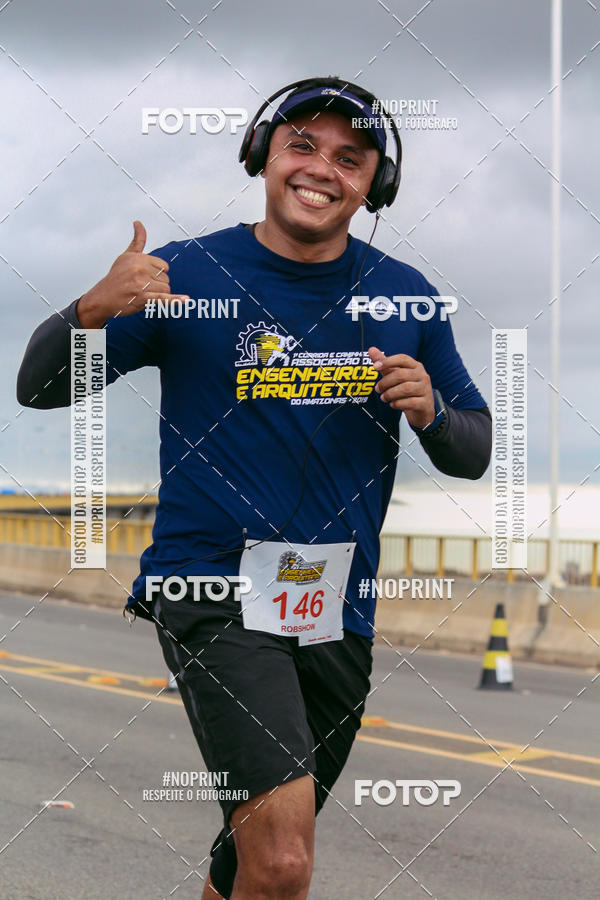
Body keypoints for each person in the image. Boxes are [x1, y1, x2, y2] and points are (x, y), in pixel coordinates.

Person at [17, 76, 492, 899]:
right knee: (283, 863)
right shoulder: (187, 274)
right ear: (261, 157)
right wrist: (91, 309)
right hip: (212, 588)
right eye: (301, 145)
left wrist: (432, 412)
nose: (322, 168)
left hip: (333, 605)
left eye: (350, 158)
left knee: (248, 862)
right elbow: (38, 388)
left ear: (374, 185)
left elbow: (474, 450)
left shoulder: (405, 295)